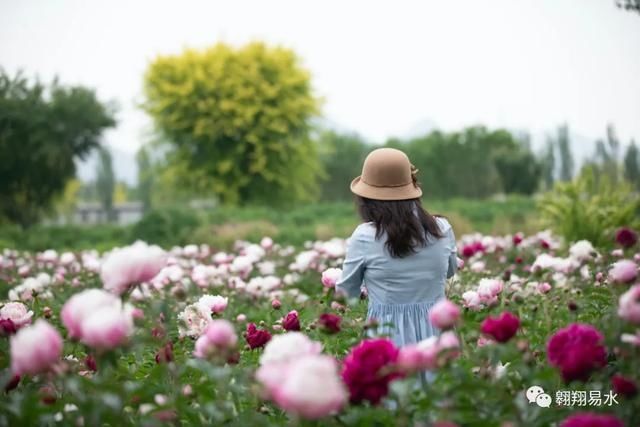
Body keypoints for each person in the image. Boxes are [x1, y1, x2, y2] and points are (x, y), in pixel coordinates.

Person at [336, 147, 458, 353]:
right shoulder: (442, 228)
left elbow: (346, 293)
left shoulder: (366, 236)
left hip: (388, 335)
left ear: (366, 198)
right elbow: (450, 271)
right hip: (438, 332)